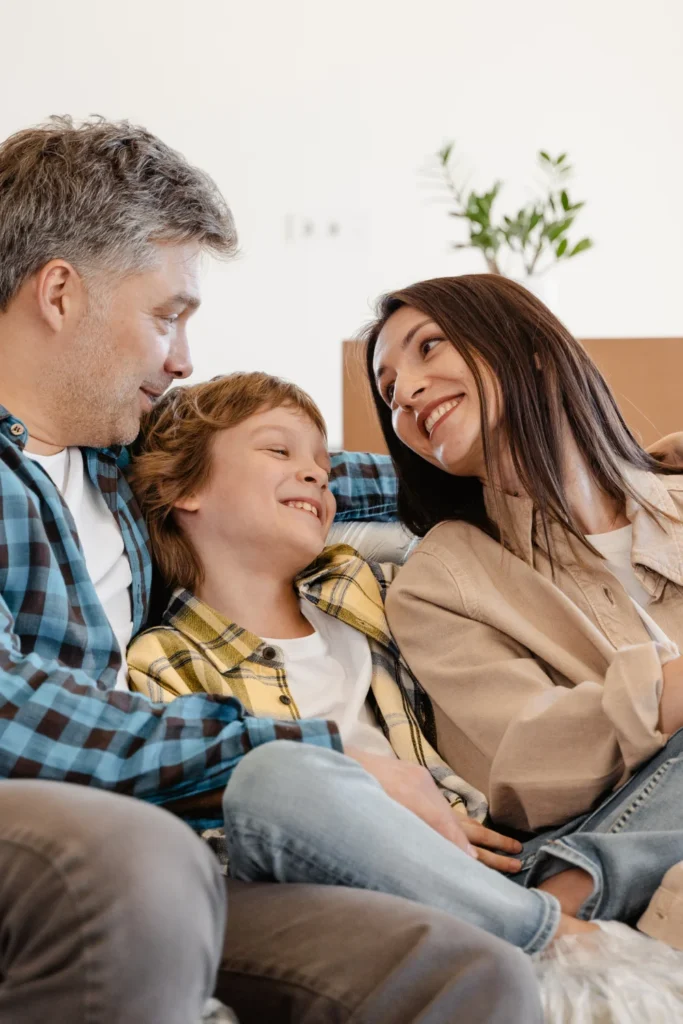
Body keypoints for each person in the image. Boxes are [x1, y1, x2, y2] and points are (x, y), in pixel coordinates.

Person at [0, 118, 543, 1023]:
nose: (183, 359)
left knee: (463, 972)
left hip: (180, 846)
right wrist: (305, 760)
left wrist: (614, 467)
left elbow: (322, 483)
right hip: (83, 835)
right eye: (167, 315)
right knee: (139, 858)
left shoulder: (120, 461)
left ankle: (546, 933)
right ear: (60, 293)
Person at [124, 369, 682, 968]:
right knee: (271, 777)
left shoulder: (375, 588)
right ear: (183, 486)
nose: (316, 472)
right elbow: (219, 827)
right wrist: (376, 810)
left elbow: (461, 486)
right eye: (278, 450)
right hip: (359, 879)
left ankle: (566, 895)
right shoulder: (160, 661)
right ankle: (553, 935)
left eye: (324, 466)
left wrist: (623, 465)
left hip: (500, 857)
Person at [363, 272, 683, 948]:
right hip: (584, 833)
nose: (408, 394)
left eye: (429, 347)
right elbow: (519, 761)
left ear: (530, 346)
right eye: (388, 393)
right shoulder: (440, 578)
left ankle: (571, 897)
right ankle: (561, 898)